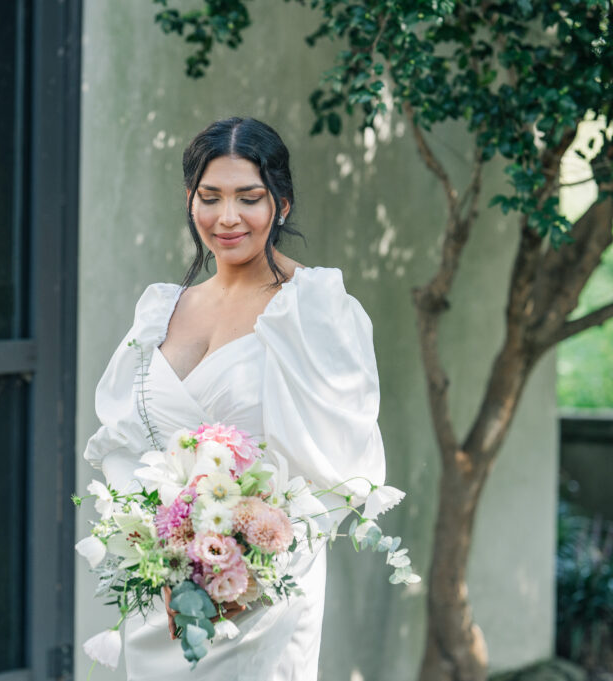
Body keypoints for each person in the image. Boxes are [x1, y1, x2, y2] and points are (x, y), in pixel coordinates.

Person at [83, 117, 386, 680]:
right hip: (165, 594)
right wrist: (160, 547)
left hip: (263, 594)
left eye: (249, 198)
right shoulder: (162, 310)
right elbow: (128, 443)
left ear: (283, 205)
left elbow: (338, 462)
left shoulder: (314, 306)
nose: (227, 217)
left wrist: (247, 559)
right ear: (190, 201)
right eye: (210, 197)